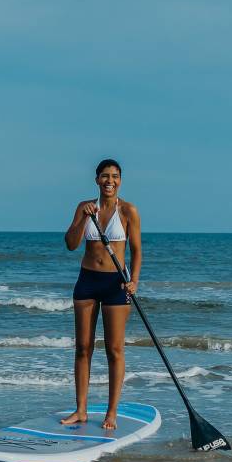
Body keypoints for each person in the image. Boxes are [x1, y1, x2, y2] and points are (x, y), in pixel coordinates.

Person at [60, 158, 141, 430]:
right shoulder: (86, 207)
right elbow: (71, 244)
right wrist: (82, 217)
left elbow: (137, 251)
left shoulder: (128, 211)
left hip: (116, 283)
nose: (110, 180)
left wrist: (135, 281)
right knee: (83, 348)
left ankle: (111, 413)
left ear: (120, 180)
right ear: (96, 179)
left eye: (115, 176)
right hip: (87, 281)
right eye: (105, 176)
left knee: (114, 349)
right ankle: (81, 410)